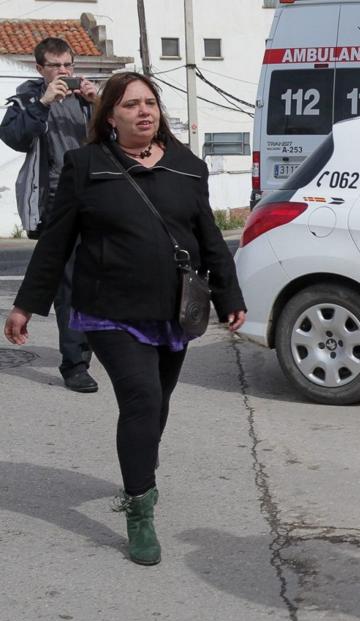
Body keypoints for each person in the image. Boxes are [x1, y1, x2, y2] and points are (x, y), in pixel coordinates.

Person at [3, 72, 246, 566]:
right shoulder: (85, 165)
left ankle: (141, 474)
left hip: (174, 312)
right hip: (110, 311)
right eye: (132, 104)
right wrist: (26, 304)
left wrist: (229, 296)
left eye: (150, 103)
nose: (144, 111)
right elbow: (56, 242)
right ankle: (140, 511)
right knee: (141, 398)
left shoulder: (187, 166)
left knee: (158, 406)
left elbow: (209, 239)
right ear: (109, 115)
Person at [1, 37, 100, 393]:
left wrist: (98, 102)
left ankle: (114, 342)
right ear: (40, 68)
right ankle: (75, 364)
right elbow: (14, 137)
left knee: (110, 275)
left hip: (100, 199)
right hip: (57, 204)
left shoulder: (89, 100)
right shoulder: (28, 100)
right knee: (69, 284)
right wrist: (43, 103)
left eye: (68, 65)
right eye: (56, 66)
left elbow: (123, 134)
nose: (64, 72)